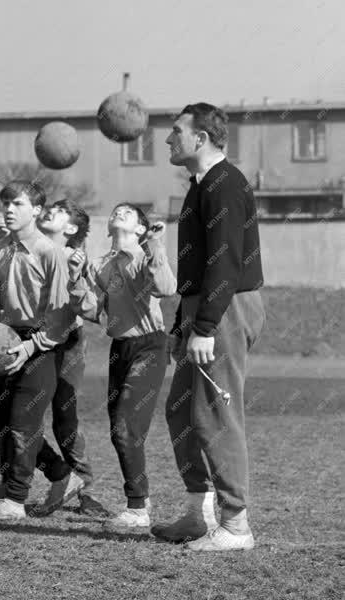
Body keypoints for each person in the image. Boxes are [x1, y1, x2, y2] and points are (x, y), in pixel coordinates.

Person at [151, 103, 265, 552]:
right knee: (182, 409)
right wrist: (185, 323)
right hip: (205, 311)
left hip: (226, 310)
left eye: (176, 131)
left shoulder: (225, 184)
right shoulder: (202, 185)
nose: (168, 139)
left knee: (216, 414)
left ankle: (236, 525)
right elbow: (199, 266)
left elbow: (227, 262)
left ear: (200, 138)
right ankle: (199, 512)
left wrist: (206, 326)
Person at [0, 180, 75, 522]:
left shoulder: (51, 253)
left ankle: (15, 500)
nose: (9, 210)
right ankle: (62, 474)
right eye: (6, 205)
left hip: (42, 342)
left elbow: (62, 316)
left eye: (17, 204)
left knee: (22, 422)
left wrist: (32, 345)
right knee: (0, 418)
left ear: (37, 211)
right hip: (6, 339)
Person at [67, 203, 176, 530]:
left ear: (141, 229)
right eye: (117, 211)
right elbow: (92, 311)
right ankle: (140, 500)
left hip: (150, 347)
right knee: (122, 431)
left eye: (129, 213)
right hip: (121, 348)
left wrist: (156, 246)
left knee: (126, 428)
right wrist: (76, 277)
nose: (120, 212)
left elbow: (166, 288)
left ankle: (138, 509)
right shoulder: (101, 265)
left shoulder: (146, 255)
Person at [30, 199, 109, 517]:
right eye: (50, 208)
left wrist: (77, 277)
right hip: (31, 341)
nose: (50, 211)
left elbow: (91, 309)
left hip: (66, 344)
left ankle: (84, 488)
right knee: (19, 419)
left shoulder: (74, 259)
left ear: (72, 228)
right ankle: (33, 480)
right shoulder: (28, 248)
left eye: (60, 212)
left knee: (65, 419)